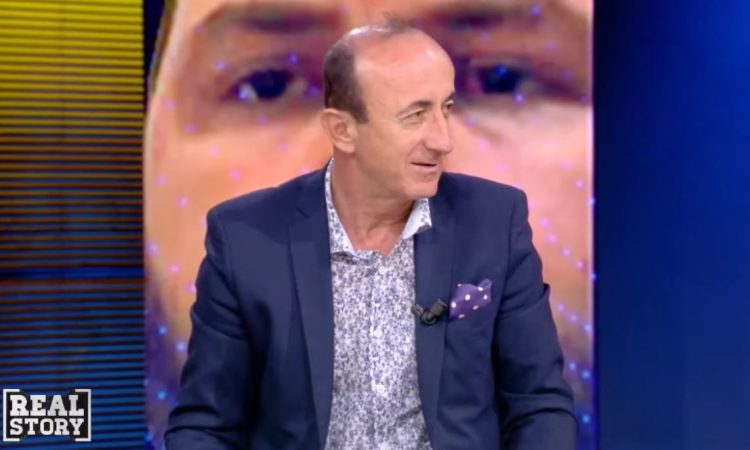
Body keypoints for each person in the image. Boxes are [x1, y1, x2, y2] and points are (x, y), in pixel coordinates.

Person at [165, 20, 576, 449]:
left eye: (447, 108)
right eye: (416, 115)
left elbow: (539, 405)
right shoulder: (247, 239)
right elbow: (205, 427)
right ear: (342, 130)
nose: (443, 139)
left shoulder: (494, 222)